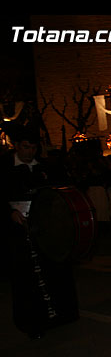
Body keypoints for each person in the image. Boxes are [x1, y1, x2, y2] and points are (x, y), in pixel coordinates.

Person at [0, 125, 78, 338]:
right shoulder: (4, 168)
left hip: (45, 229)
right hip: (18, 228)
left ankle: (61, 314)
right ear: (16, 146)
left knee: (54, 269)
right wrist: (9, 212)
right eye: (25, 147)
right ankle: (32, 322)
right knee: (26, 277)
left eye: (34, 148)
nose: (30, 152)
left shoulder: (46, 168)